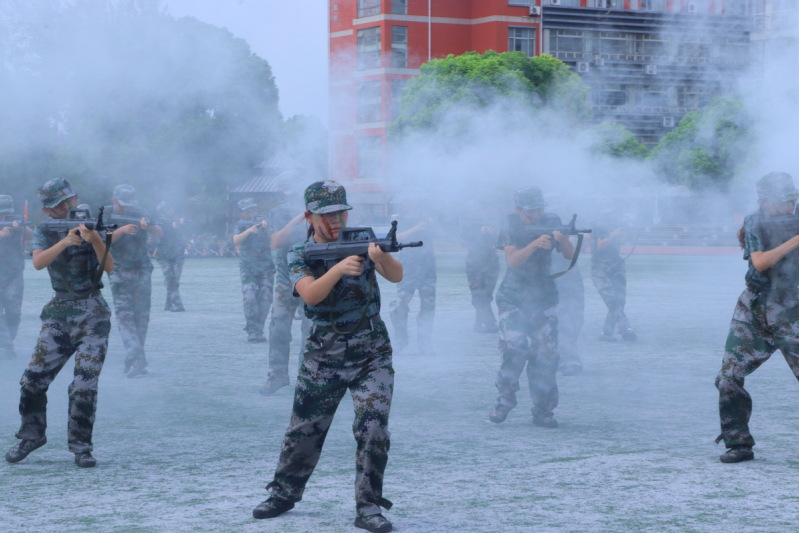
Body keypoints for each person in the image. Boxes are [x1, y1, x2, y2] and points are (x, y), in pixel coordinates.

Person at [252, 180, 402, 533]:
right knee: (304, 429)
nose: (336, 220)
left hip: (371, 353)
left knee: (374, 427)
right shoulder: (298, 253)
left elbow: (396, 276)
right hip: (323, 354)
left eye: (341, 212)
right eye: (327, 214)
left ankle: (368, 506)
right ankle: (284, 493)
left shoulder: (362, 242)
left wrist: (381, 257)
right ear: (309, 216)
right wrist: (338, 269)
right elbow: (310, 295)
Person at [5, 178, 114, 468]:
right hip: (59, 312)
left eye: (69, 202)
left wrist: (96, 240)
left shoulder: (93, 226)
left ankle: (81, 448)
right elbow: (39, 262)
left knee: (83, 386)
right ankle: (32, 435)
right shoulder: (44, 230)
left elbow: (111, 267)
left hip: (93, 314)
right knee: (32, 380)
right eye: (59, 205)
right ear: (48, 209)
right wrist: (66, 240)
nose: (66, 208)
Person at [715, 171, 799, 464]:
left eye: (794, 199)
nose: (792, 205)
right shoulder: (755, 220)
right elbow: (761, 262)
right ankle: (738, 443)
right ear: (768, 201)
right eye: (786, 200)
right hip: (754, 305)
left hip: (793, 307)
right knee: (728, 378)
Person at [488, 187, 574, 428]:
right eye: (530, 212)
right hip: (513, 297)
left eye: (539, 209)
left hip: (544, 298)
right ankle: (505, 400)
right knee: (514, 349)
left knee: (546, 356)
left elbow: (569, 256)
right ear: (518, 210)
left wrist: (563, 238)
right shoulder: (510, 224)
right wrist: (536, 243)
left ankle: (543, 410)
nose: (536, 215)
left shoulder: (552, 220)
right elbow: (513, 261)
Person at [108, 184, 163, 378]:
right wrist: (121, 230)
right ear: (114, 201)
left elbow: (160, 233)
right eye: (124, 204)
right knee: (124, 314)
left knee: (141, 316)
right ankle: (133, 352)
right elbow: (101, 241)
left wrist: (149, 226)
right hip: (118, 269)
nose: (128, 208)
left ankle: (137, 359)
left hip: (141, 269)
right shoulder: (107, 214)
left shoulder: (141, 211)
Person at [260, 201, 310, 396]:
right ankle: (277, 376)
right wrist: (296, 220)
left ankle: (307, 378)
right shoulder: (278, 211)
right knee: (278, 330)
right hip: (285, 281)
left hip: (313, 280)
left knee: (311, 332)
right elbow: (275, 242)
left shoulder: (320, 211)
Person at [388, 205, 437, 353]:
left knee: (428, 307)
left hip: (428, 270)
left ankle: (425, 342)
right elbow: (393, 239)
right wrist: (417, 227)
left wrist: (433, 224)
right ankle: (401, 339)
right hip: (408, 270)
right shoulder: (399, 220)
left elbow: (446, 233)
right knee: (399, 305)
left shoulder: (430, 219)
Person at [233, 197, 275, 343]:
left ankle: (258, 329)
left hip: (266, 267)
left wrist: (267, 227)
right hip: (248, 267)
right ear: (242, 213)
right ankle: (252, 329)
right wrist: (250, 230)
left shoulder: (265, 222)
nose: (252, 212)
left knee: (265, 298)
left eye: (253, 209)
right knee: (250, 297)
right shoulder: (240, 225)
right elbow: (236, 240)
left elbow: (273, 240)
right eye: (248, 210)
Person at [590, 211, 637, 342]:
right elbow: (598, 246)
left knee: (620, 301)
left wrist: (631, 230)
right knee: (612, 300)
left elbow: (629, 240)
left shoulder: (619, 225)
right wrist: (612, 235)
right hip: (600, 266)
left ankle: (606, 333)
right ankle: (626, 328)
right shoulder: (598, 226)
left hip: (617, 264)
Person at [0, 195, 33, 359]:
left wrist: (21, 228)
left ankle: (8, 342)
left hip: (14, 274)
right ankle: (5, 347)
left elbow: (31, 236)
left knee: (14, 312)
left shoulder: (18, 220)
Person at [459, 214, 500, 333]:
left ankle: (480, 323)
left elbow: (501, 242)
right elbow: (463, 242)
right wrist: (479, 233)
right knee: (478, 294)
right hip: (474, 261)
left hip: (491, 260)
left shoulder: (494, 222)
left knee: (487, 295)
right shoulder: (467, 223)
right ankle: (489, 322)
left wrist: (492, 233)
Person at [154, 201, 188, 312]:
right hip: (164, 255)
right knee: (170, 279)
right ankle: (177, 304)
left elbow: (184, 231)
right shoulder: (159, 221)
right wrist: (174, 224)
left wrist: (180, 224)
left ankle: (168, 304)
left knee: (175, 281)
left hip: (177, 254)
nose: (171, 210)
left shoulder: (177, 218)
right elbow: (161, 232)